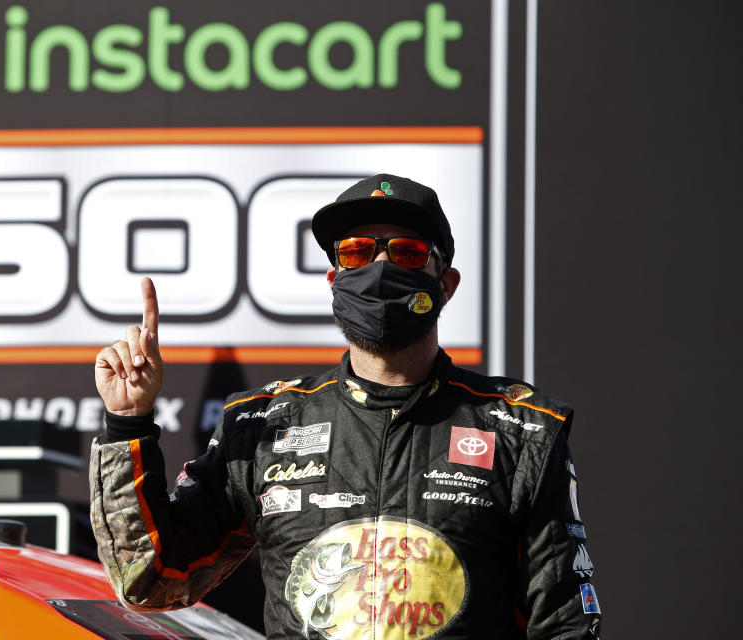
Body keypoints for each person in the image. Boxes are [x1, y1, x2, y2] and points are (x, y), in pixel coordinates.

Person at [90, 174, 601, 639]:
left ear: (445, 285)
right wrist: (127, 422)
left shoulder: (522, 429)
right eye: (356, 252)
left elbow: (564, 624)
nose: (379, 268)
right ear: (334, 281)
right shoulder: (262, 424)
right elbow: (151, 580)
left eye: (405, 252)